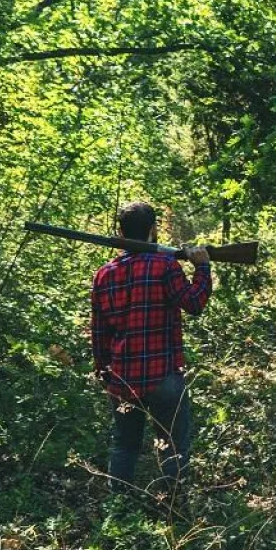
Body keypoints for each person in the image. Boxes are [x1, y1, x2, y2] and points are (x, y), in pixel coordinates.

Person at [90, 201, 211, 496]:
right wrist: (203, 267)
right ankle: (174, 504)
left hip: (121, 378)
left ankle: (117, 510)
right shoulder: (165, 265)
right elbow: (194, 302)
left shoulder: (104, 274)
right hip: (164, 376)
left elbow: (99, 331)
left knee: (124, 445)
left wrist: (104, 372)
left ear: (120, 231)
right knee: (173, 445)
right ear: (153, 230)